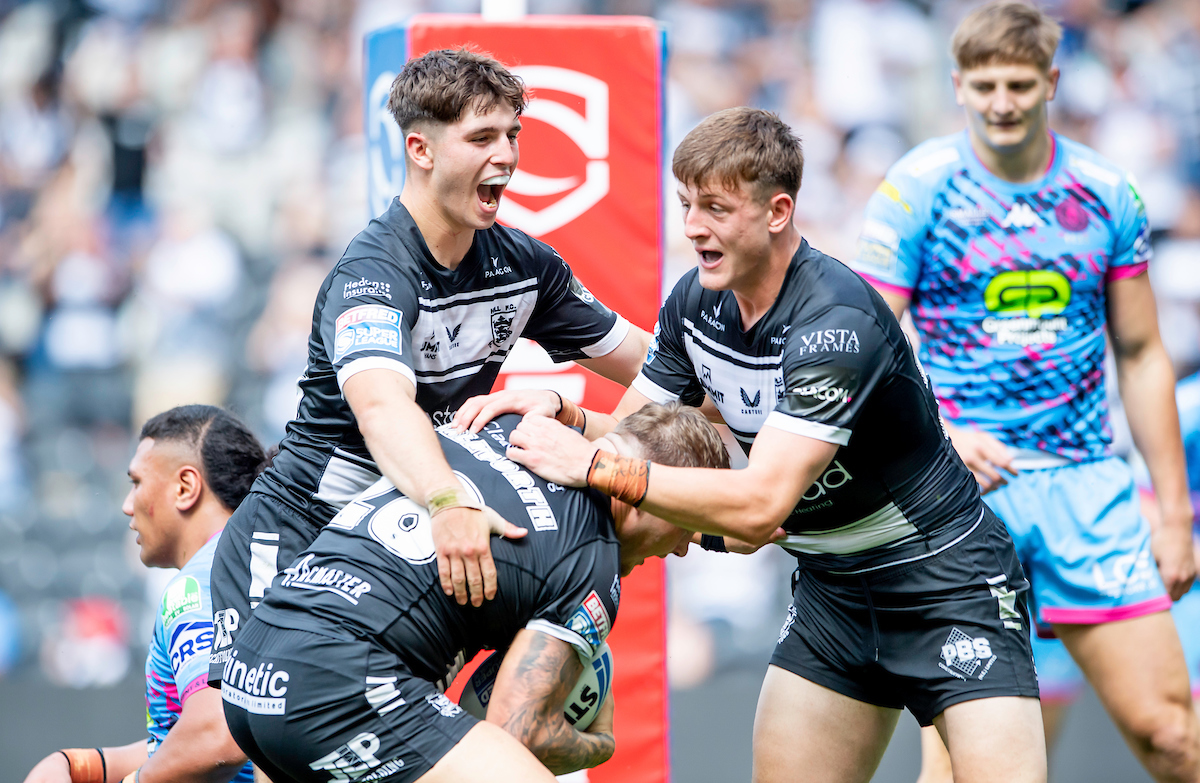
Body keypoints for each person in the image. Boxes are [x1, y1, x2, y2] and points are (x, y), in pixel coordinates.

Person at [460, 106, 1047, 783]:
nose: (693, 227)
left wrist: (593, 461)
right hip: (833, 590)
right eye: (686, 204)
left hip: (944, 578)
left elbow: (760, 502)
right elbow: (643, 438)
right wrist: (563, 411)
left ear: (777, 212)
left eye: (714, 207)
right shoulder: (692, 303)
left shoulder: (837, 322)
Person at [207, 48, 650, 687]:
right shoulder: (372, 272)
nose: (507, 156)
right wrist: (448, 498)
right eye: (481, 138)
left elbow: (655, 367)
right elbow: (385, 408)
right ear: (421, 150)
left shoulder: (525, 266)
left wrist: (580, 415)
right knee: (238, 736)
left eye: (512, 136)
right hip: (307, 524)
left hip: (400, 542)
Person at [847, 2, 1200, 781]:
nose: (1000, 102)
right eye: (983, 85)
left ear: (1051, 82)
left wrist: (1173, 515)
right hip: (962, 497)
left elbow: (1141, 353)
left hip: (1087, 488)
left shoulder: (1108, 193)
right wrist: (937, 438)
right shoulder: (918, 189)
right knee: (958, 765)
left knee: (1175, 735)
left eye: (1016, 83)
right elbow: (868, 339)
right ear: (958, 85)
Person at [220, 404, 732, 783]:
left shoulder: (510, 427)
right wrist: (598, 745)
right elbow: (518, 731)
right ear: (652, 499)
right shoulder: (591, 561)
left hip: (252, 671)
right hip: (339, 686)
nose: (684, 549)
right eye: (687, 524)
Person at [24, 405, 267, 783]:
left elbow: (216, 733)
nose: (126, 505)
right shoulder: (256, 565)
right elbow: (209, 736)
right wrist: (86, 766)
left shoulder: (199, 582)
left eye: (136, 482)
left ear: (185, 488)